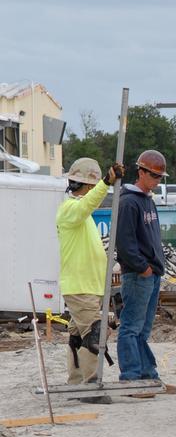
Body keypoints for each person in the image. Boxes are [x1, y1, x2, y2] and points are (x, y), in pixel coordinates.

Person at [56, 156, 124, 384]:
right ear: (88, 186)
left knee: (77, 336)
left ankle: (76, 381)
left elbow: (87, 207)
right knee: (96, 332)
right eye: (94, 188)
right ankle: (91, 382)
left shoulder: (81, 217)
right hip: (80, 287)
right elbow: (87, 204)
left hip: (87, 287)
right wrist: (106, 182)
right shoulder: (70, 210)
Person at [115, 150, 169, 386]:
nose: (157, 181)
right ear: (142, 172)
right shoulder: (129, 202)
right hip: (139, 275)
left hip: (151, 274)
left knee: (143, 328)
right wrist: (142, 267)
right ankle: (131, 376)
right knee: (131, 326)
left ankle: (146, 373)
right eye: (154, 176)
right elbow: (125, 243)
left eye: (160, 177)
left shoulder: (147, 201)